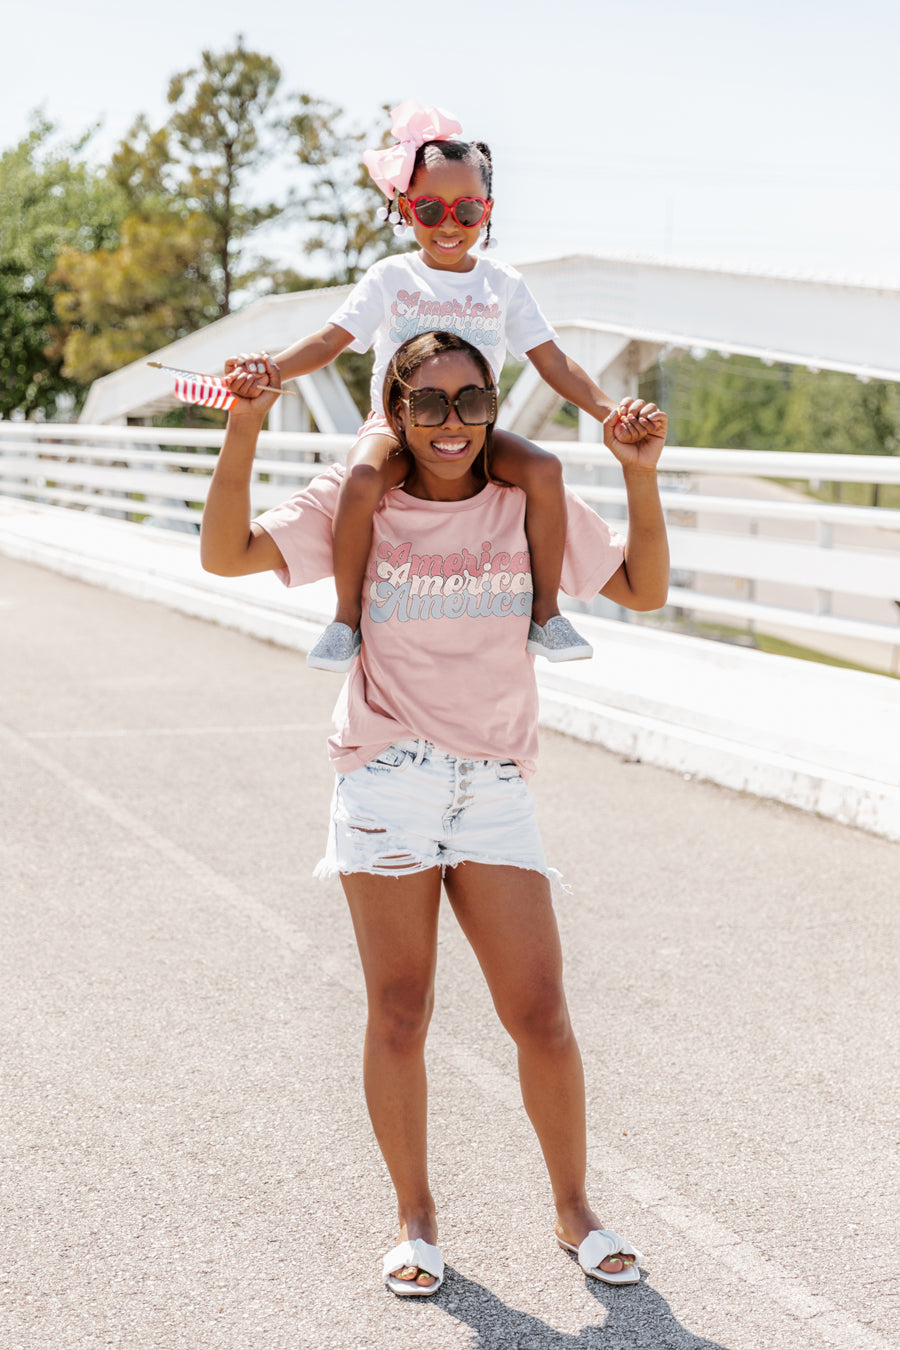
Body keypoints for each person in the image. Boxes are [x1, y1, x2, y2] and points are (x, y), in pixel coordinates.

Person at [201, 331, 669, 1296]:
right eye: (429, 403)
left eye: (471, 401)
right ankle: (415, 1218)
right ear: (394, 409)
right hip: (388, 777)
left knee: (540, 1013)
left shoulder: (528, 500)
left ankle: (573, 1209)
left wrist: (638, 475)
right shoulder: (352, 500)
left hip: (493, 786)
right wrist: (244, 429)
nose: (452, 423)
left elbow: (643, 589)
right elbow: (226, 554)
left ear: (493, 405)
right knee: (401, 1010)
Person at [225, 100, 649, 674]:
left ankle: (545, 614)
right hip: (395, 429)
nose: (449, 224)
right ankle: (346, 618)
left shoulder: (503, 284)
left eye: (467, 209)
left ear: (488, 211)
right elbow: (330, 340)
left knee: (545, 470)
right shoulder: (392, 277)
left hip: (473, 426)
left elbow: (552, 361)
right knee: (364, 477)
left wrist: (606, 411)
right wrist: (270, 370)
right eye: (428, 207)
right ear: (403, 209)